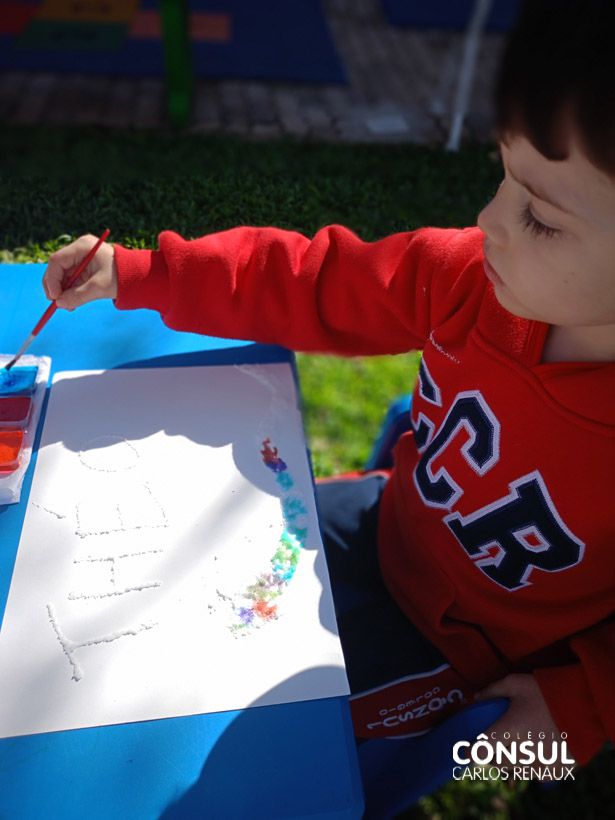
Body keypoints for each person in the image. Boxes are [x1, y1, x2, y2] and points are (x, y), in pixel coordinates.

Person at [43, 0, 614, 768]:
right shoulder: (466, 276)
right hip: (383, 518)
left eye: (538, 216)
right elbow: (310, 280)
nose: (488, 221)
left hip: (464, 650)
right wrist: (141, 273)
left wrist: (579, 704)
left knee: (271, 761)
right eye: (502, 175)